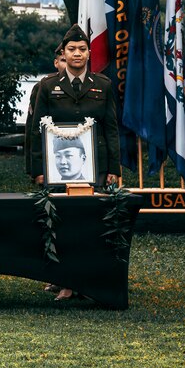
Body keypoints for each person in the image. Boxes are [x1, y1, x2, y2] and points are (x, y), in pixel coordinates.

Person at [29, 23, 120, 302]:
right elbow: (36, 130)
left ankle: (89, 283)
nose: (77, 53)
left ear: (89, 53)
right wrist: (38, 170)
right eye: (71, 49)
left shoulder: (103, 86)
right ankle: (66, 282)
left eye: (82, 49)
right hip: (59, 168)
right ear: (63, 54)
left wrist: (114, 169)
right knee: (63, 224)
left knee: (91, 224)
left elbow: (111, 128)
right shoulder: (48, 86)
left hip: (95, 167)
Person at [24, 47, 66, 177]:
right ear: (56, 63)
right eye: (63, 60)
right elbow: (33, 127)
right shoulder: (43, 86)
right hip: (54, 149)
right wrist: (33, 168)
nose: (67, 64)